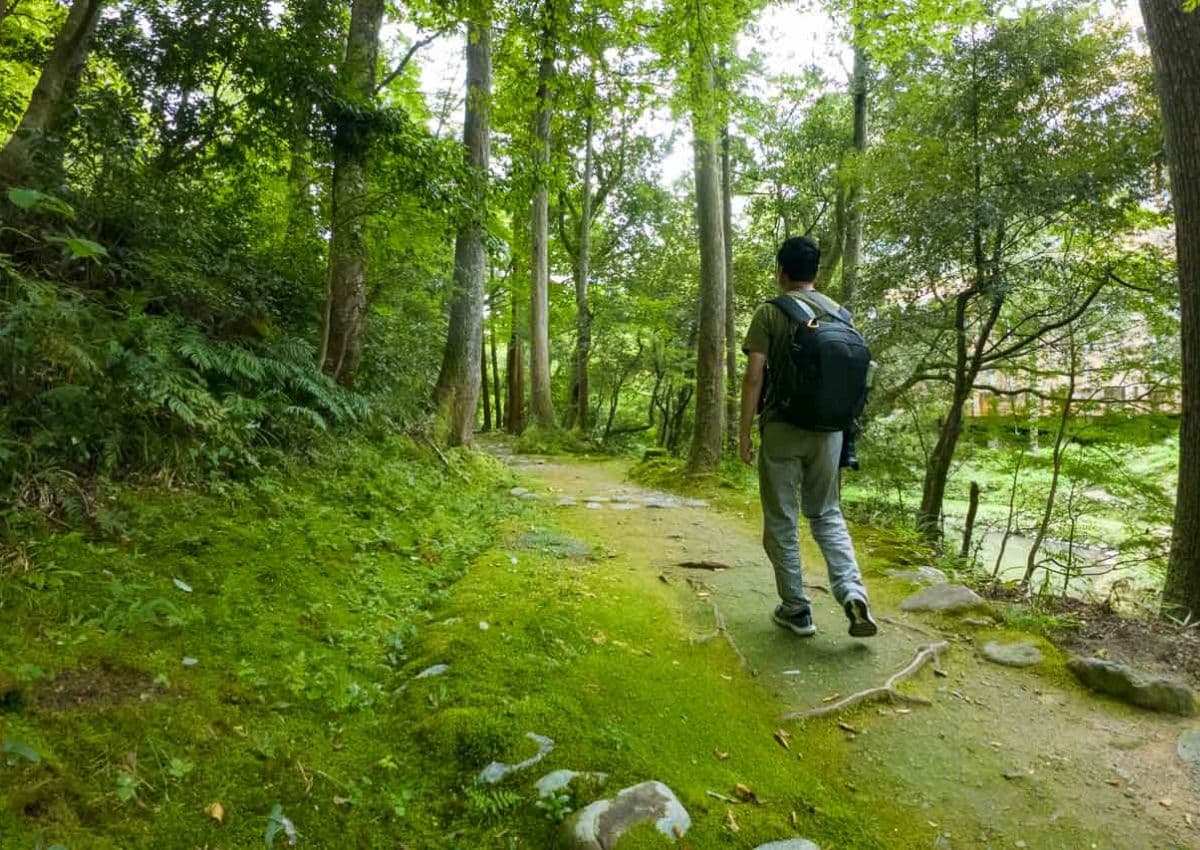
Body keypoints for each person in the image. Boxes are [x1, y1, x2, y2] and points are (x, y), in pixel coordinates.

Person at [738, 235, 877, 638]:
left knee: (782, 518)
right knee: (827, 514)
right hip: (830, 433)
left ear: (781, 270)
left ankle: (797, 610)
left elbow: (753, 377)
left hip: (782, 430)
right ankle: (853, 592)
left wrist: (744, 432)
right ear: (816, 272)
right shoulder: (841, 316)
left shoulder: (770, 312)